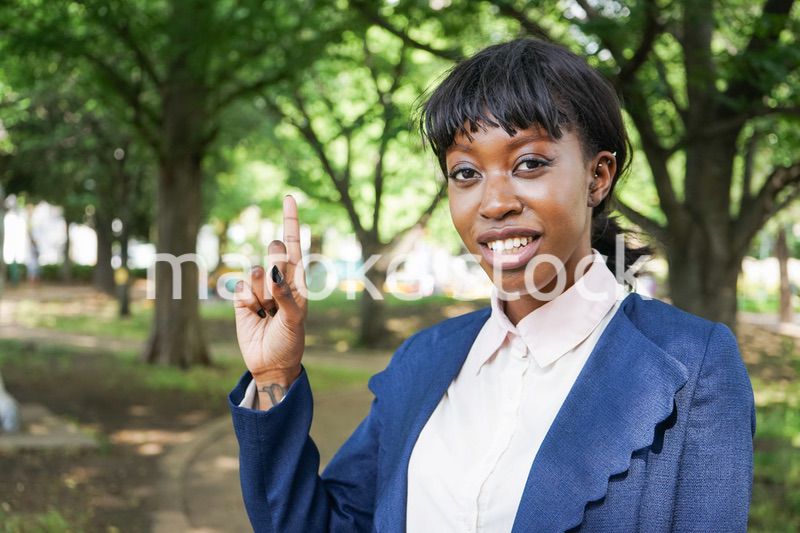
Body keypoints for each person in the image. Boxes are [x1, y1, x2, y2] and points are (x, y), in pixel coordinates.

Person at [228, 39, 755, 532]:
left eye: (529, 163)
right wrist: (276, 375)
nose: (494, 202)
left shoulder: (693, 362)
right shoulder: (423, 360)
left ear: (598, 177)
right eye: (465, 173)